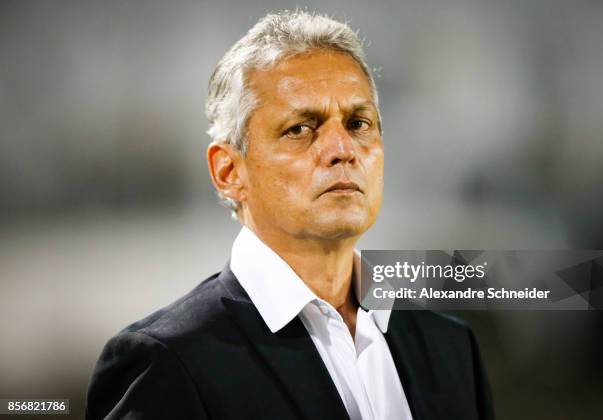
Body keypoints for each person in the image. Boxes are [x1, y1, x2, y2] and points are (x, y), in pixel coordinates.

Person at [86, 10, 494, 420]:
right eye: (301, 128)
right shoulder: (168, 361)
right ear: (229, 171)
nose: (342, 149)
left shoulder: (451, 348)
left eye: (358, 122)